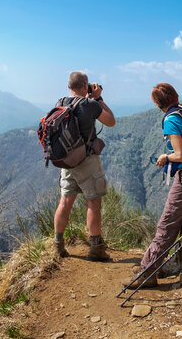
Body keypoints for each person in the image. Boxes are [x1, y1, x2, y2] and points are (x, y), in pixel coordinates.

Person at [123, 83, 182, 288]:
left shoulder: (171, 120)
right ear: (175, 95)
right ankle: (152, 264)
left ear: (157, 104)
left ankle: (147, 273)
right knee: (170, 222)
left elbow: (180, 155)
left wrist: (164, 157)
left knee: (166, 223)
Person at [53, 71, 116, 261]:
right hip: (87, 160)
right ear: (86, 85)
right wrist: (99, 98)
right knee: (93, 202)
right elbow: (111, 121)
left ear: (69, 86)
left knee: (65, 202)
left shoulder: (60, 103)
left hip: (67, 160)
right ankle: (96, 249)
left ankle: (58, 246)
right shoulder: (90, 104)